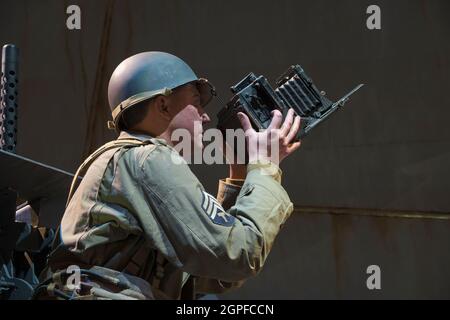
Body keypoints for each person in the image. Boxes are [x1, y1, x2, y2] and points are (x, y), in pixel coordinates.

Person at [34, 51, 301, 300]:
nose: (205, 117)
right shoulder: (146, 159)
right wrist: (265, 166)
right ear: (163, 105)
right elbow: (239, 253)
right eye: (196, 103)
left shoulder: (131, 162)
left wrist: (240, 174)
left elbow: (211, 270)